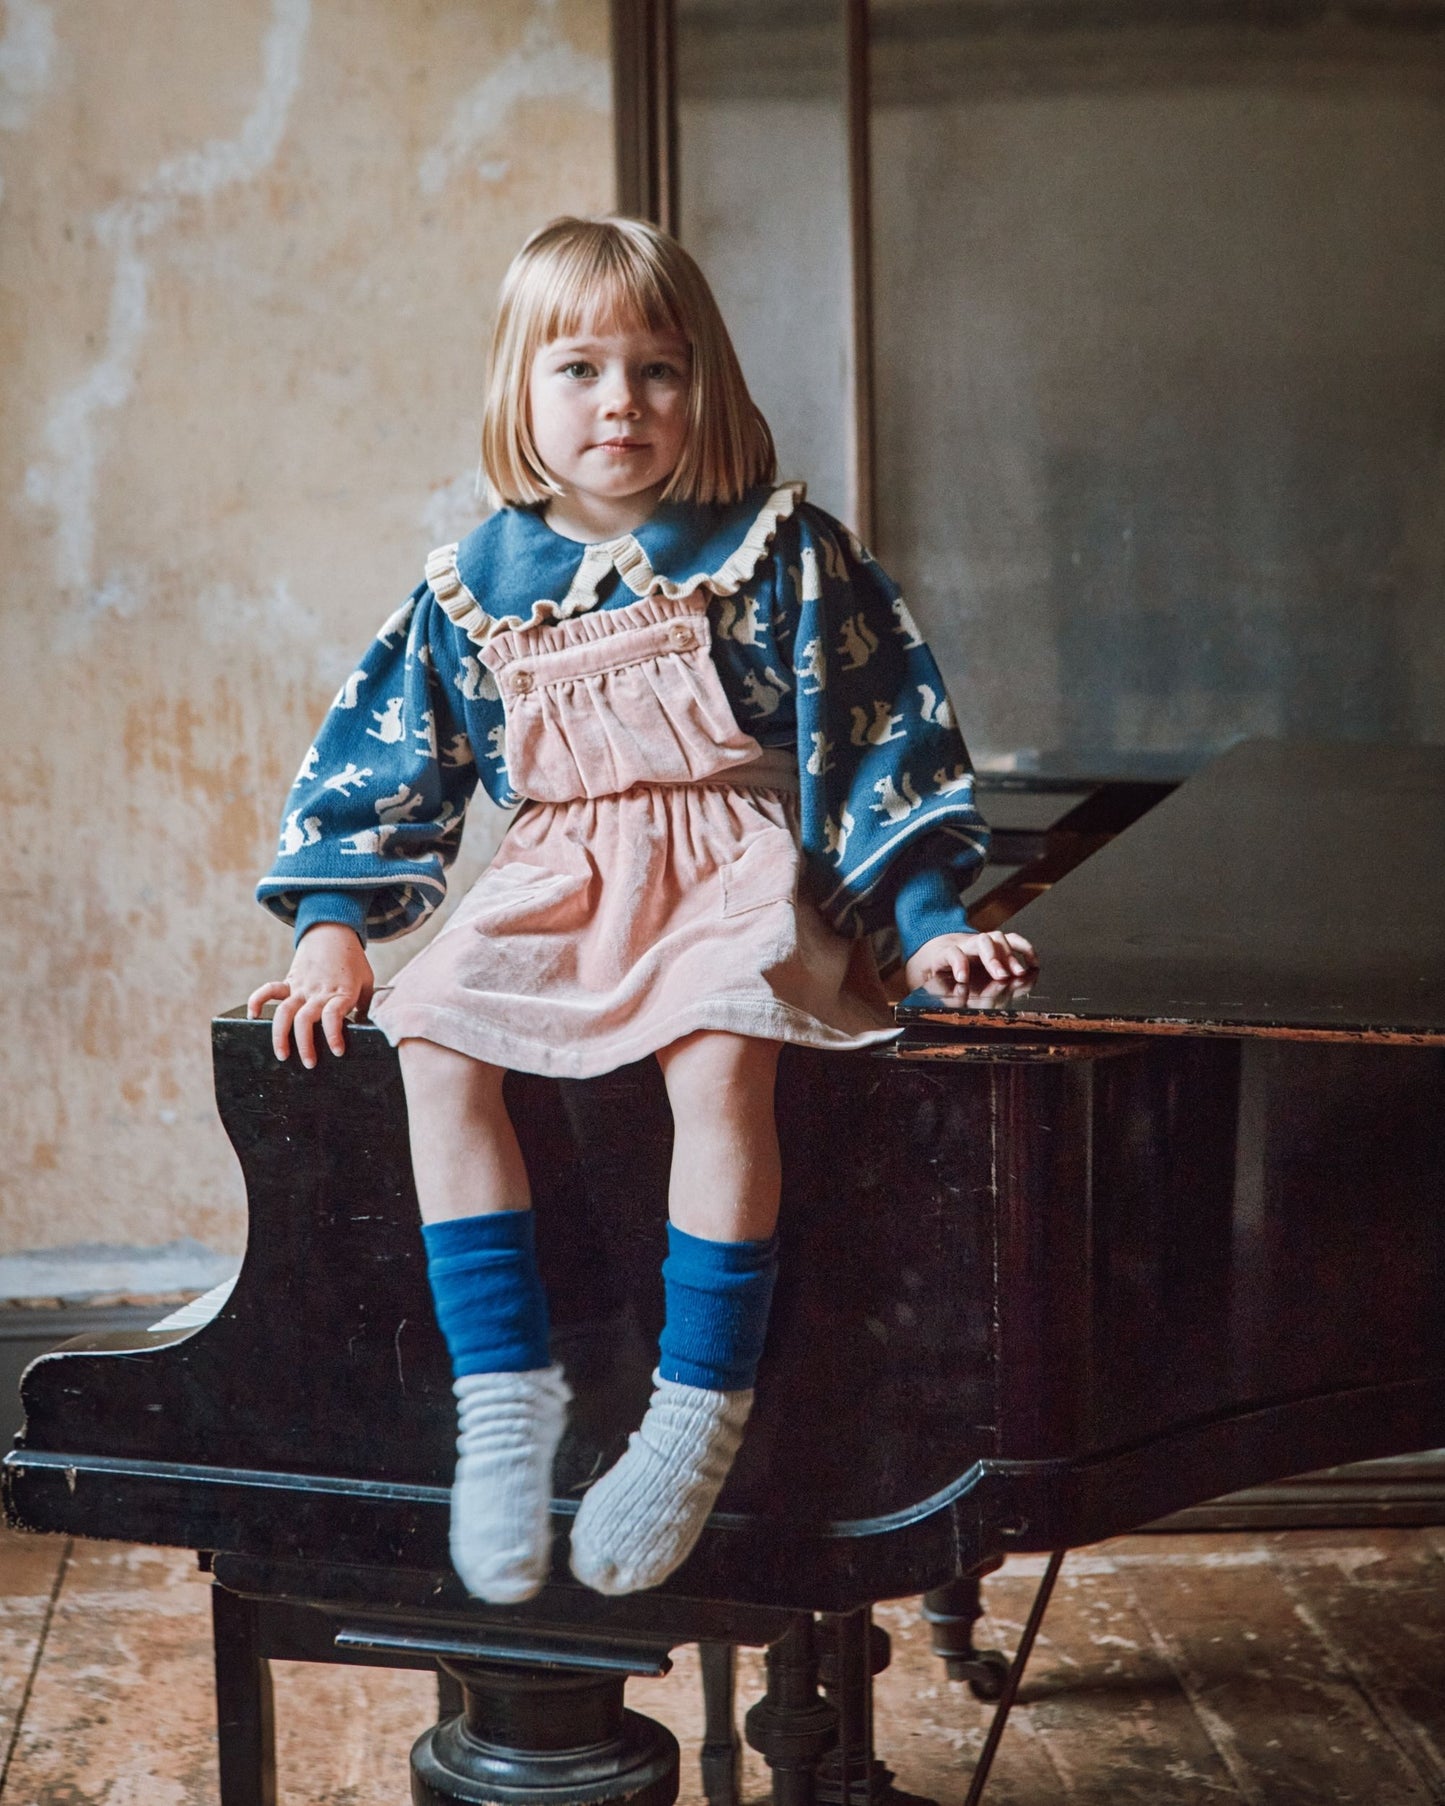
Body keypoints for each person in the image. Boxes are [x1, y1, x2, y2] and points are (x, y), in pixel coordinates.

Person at [248, 215, 1036, 1605]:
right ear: (520, 389)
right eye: (580, 369)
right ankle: (505, 1401)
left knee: (718, 1043)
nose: (621, 403)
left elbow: (875, 732)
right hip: (557, 876)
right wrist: (331, 932)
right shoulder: (468, 589)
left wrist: (925, 918)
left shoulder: (779, 550)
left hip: (735, 863)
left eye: (659, 369)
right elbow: (385, 768)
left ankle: (694, 1405)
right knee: (432, 1039)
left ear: (706, 383)